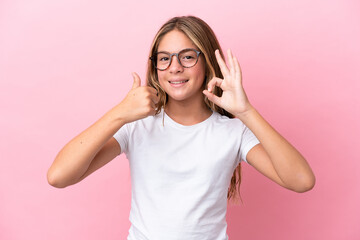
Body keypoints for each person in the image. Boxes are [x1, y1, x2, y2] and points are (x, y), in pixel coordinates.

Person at [47, 15, 315, 240]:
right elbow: (59, 176)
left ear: (207, 61)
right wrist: (119, 114)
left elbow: (302, 181)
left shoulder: (233, 132)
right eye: (164, 58)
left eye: (187, 56)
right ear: (155, 67)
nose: (174, 67)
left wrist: (246, 112)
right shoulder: (137, 126)